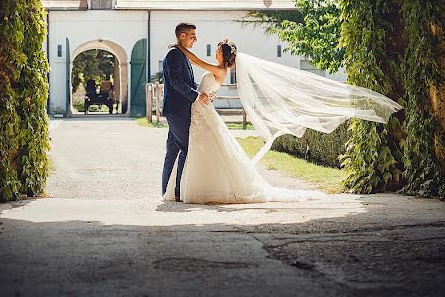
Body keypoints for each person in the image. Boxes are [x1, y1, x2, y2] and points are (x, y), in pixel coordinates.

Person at [163, 39, 402, 204]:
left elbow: (195, 62)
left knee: (202, 150)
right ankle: (185, 188)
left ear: (223, 56)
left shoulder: (217, 70)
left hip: (202, 114)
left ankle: (191, 189)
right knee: (203, 151)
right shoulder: (220, 70)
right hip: (201, 113)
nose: (214, 52)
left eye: (217, 50)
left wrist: (180, 49)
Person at [161, 22, 210, 202]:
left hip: (178, 109)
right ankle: (179, 191)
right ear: (182, 35)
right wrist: (196, 96)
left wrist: (202, 92)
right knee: (187, 148)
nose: (195, 39)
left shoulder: (182, 55)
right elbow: (176, 82)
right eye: (192, 35)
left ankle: (168, 191)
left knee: (173, 151)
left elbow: (186, 82)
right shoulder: (174, 55)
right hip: (177, 109)